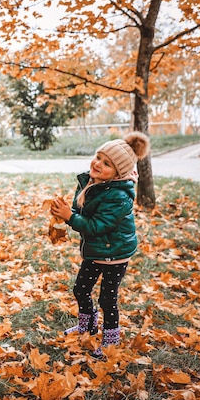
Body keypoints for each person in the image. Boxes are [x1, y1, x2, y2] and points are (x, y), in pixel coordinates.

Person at [50, 131, 150, 358]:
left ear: (118, 173)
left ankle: (110, 341)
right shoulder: (90, 182)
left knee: (107, 297)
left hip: (115, 253)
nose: (98, 164)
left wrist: (70, 218)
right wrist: (67, 212)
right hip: (97, 250)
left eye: (107, 164)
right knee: (81, 289)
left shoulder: (119, 195)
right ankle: (88, 325)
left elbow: (96, 226)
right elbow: (80, 210)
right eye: (98, 157)